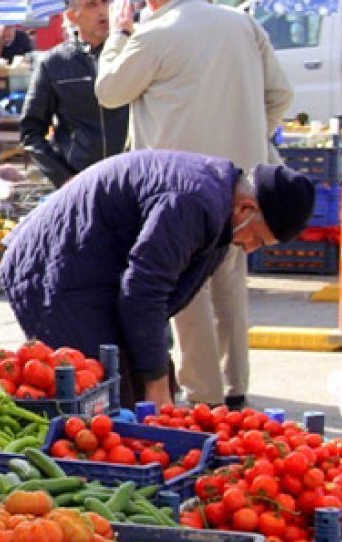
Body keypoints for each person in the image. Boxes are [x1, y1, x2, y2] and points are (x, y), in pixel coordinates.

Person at [0, 151, 315, 407]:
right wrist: (155, 383)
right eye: (258, 238)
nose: (249, 248)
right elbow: (143, 292)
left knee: (129, 391)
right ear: (247, 207)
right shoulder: (192, 202)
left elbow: (157, 296)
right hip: (51, 270)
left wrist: (155, 375)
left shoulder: (220, 209)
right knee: (95, 395)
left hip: (94, 268)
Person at [96, 0, 292, 409]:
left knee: (188, 292)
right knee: (230, 284)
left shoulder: (154, 34)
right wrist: (251, 133)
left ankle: (205, 399)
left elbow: (109, 91)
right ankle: (235, 387)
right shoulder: (242, 23)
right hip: (242, 179)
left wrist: (117, 34)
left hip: (180, 186)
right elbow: (280, 95)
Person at [20, 0, 127, 187]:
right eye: (91, 5)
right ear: (71, 15)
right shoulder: (54, 63)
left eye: (105, 2)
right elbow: (31, 132)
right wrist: (64, 178)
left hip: (132, 174)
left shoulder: (132, 52)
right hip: (80, 179)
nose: (102, 11)